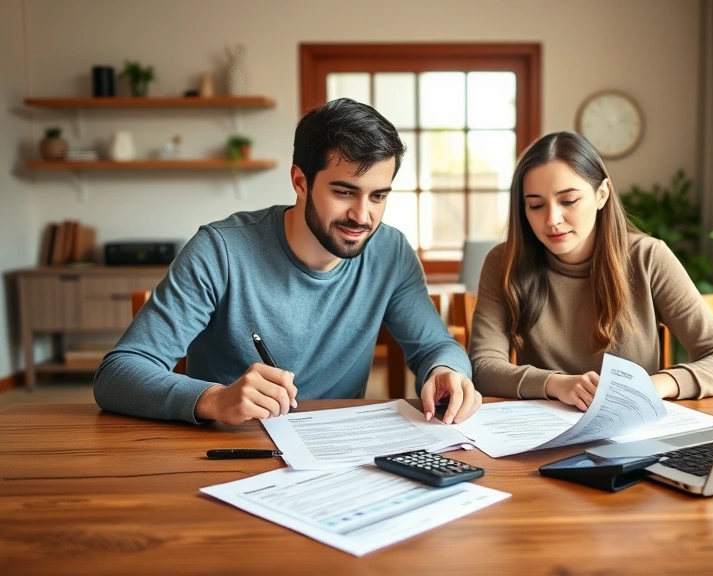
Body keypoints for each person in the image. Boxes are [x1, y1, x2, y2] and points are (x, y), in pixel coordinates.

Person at [95, 98, 482, 425]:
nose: (362, 216)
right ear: (300, 181)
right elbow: (118, 374)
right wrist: (215, 399)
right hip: (233, 450)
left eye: (378, 196)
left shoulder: (391, 252)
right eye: (344, 192)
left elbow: (436, 345)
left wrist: (445, 371)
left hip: (339, 452)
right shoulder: (221, 250)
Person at [469, 131, 713, 410]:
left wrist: (655, 385)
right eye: (536, 205)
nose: (552, 219)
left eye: (568, 201)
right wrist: (557, 384)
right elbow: (483, 367)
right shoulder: (504, 261)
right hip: (545, 437)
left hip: (631, 432)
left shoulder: (648, 257)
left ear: (601, 194)